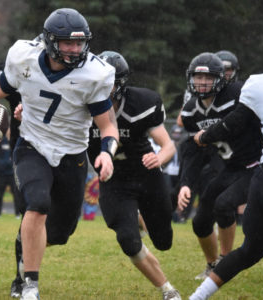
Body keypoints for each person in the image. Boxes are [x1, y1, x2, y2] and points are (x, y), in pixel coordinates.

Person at [0, 8, 119, 300]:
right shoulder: (23, 59)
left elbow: (108, 125)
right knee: (37, 204)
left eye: (80, 43)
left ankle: (25, 243)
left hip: (71, 155)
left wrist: (107, 153)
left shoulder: (95, 73)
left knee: (60, 233)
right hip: (32, 145)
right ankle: (29, 285)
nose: (75, 49)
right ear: (50, 42)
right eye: (68, 43)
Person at [189, 22, 263, 300]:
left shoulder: (258, 83)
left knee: (250, 250)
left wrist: (204, 137)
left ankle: (197, 297)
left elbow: (233, 124)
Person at [87, 51, 180, 300]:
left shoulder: (142, 102)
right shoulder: (79, 105)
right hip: (113, 179)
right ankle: (167, 289)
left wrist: (159, 158)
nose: (103, 87)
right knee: (128, 239)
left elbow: (168, 145)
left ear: (121, 83)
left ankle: (139, 216)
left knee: (163, 242)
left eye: (110, 82)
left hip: (146, 174)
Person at [177, 52, 257, 281]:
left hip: (255, 164)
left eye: (208, 77)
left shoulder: (236, 95)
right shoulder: (191, 110)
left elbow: (235, 123)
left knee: (224, 205)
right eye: (198, 77)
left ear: (220, 79)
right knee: (200, 221)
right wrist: (185, 184)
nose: (202, 83)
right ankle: (213, 265)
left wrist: (208, 134)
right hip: (230, 167)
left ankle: (225, 263)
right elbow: (193, 151)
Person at [0, 134, 16, 219]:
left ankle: (17, 214)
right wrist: (0, 163)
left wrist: (12, 161)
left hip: (12, 174)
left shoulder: (14, 141)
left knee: (16, 194)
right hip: (1, 174)